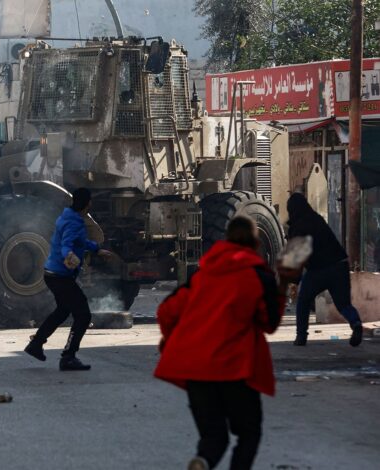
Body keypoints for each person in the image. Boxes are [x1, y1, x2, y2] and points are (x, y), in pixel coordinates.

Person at [154, 215, 299, 470]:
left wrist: (173, 341)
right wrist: (283, 283)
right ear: (255, 244)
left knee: (213, 436)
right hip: (235, 369)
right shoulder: (258, 276)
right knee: (248, 433)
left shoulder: (202, 276)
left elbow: (167, 311)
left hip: (197, 370)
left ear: (226, 241)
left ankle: (203, 461)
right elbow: (269, 323)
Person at [24, 188, 111, 371]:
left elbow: (78, 241)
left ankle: (36, 344)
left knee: (63, 310)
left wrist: (96, 249)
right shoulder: (75, 223)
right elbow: (67, 244)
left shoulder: (67, 216)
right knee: (83, 315)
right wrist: (69, 255)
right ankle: (68, 356)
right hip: (61, 276)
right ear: (88, 203)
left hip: (51, 273)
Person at [287, 193, 363, 346]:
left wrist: (295, 280)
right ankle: (355, 324)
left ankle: (301, 336)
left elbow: (299, 257)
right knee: (343, 304)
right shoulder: (316, 219)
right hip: (339, 265)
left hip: (317, 270)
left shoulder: (298, 227)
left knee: (303, 301)